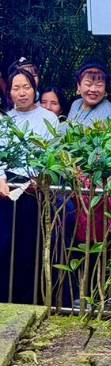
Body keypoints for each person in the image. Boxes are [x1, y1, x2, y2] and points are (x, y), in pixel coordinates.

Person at [0, 69, 59, 304]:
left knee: (30, 247)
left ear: (34, 89)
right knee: (5, 244)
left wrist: (40, 178)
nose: (22, 93)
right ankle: (4, 298)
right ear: (9, 92)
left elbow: (52, 154)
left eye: (26, 87)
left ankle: (30, 301)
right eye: (16, 88)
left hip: (35, 190)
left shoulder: (48, 118)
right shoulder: (5, 119)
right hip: (6, 190)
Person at [67, 59, 111, 126]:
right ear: (79, 86)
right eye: (88, 84)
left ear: (105, 88)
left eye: (99, 85)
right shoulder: (76, 104)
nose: (93, 89)